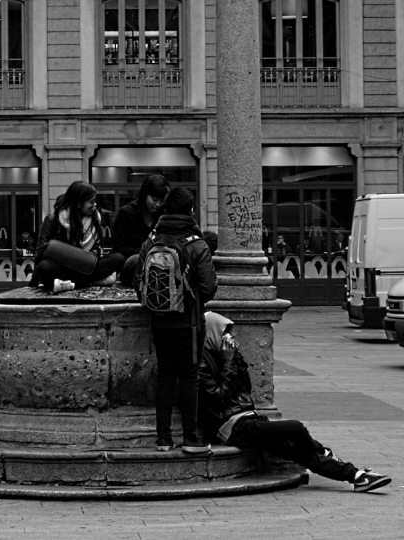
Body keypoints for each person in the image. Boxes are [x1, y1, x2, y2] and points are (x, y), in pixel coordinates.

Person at [199, 311, 392, 493]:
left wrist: (235, 359)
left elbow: (246, 389)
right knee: (296, 428)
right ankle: (326, 452)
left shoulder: (226, 357)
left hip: (249, 419)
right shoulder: (202, 363)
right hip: (231, 428)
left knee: (302, 454)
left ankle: (357, 476)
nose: (228, 339)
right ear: (212, 332)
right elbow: (218, 398)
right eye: (224, 333)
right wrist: (227, 362)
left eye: (229, 334)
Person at [132, 187, 218, 453]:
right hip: (189, 321)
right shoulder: (197, 243)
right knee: (189, 377)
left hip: (159, 320)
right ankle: (191, 438)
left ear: (166, 209)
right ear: (191, 210)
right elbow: (208, 287)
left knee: (165, 375)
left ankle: (163, 438)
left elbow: (138, 282)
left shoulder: (151, 241)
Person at [30, 181, 125, 293]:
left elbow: (96, 251)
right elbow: (40, 251)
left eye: (95, 201)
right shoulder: (53, 219)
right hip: (62, 268)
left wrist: (88, 257)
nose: (95, 205)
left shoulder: (95, 220)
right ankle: (89, 281)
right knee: (44, 267)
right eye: (91, 202)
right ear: (78, 204)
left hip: (87, 268)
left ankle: (71, 284)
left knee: (118, 258)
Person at [112, 174, 171, 287]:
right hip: (133, 266)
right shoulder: (125, 214)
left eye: (162, 201)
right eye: (154, 200)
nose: (157, 204)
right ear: (144, 194)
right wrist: (145, 252)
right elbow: (118, 248)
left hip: (162, 264)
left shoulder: (165, 215)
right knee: (136, 260)